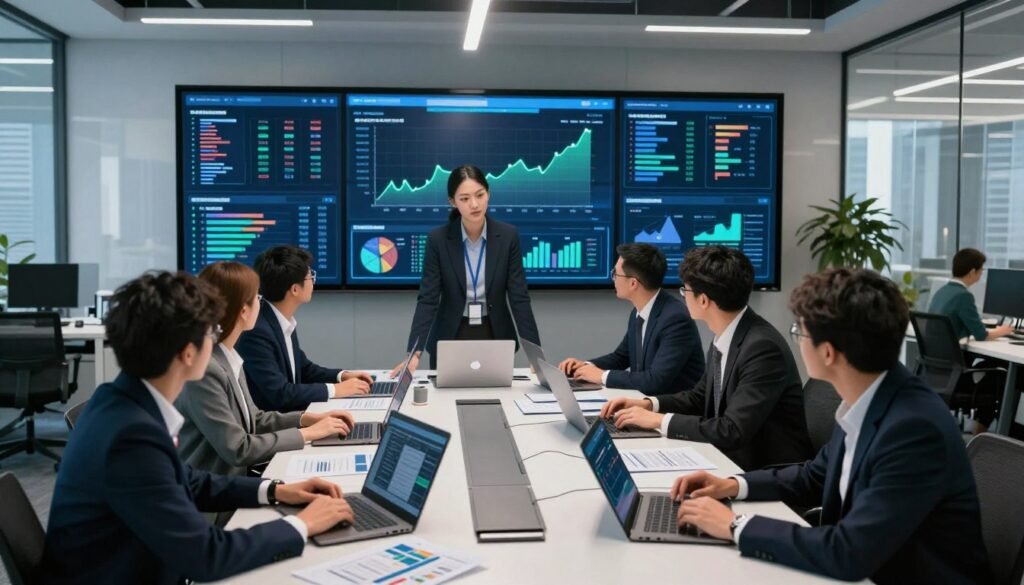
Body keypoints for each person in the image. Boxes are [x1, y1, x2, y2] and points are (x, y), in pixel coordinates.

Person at [669, 268, 992, 585]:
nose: (796, 340)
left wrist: (735, 525)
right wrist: (731, 485)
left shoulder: (913, 428)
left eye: (800, 331)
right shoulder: (869, 397)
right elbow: (814, 475)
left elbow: (849, 553)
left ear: (827, 352)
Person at [38, 271, 354, 585]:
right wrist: (301, 526)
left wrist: (275, 490)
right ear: (188, 353)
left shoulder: (121, 400)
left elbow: (188, 480)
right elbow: (206, 557)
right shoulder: (131, 436)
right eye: (211, 331)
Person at [600, 245, 811, 470]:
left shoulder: (762, 348)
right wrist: (648, 404)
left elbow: (732, 430)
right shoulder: (728, 333)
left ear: (703, 301)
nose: (682, 297)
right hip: (728, 459)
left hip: (764, 474)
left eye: (685, 291)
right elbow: (698, 398)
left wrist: (659, 421)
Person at [177, 261, 356, 483]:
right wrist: (308, 434)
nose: (260, 305)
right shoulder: (206, 370)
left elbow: (256, 419)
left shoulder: (228, 356)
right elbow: (239, 447)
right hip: (218, 502)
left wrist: (309, 419)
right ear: (243, 311)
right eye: (257, 299)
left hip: (238, 483)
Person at [393, 164, 540, 374]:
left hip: (495, 332)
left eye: (480, 195)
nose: (474, 204)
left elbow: (519, 298)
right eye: (464, 199)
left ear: (488, 193)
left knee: (497, 397)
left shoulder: (508, 236)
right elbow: (428, 299)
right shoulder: (438, 239)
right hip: (450, 334)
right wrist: (413, 354)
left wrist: (535, 354)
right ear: (452, 202)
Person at [237, 245, 373, 412]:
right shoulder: (256, 332)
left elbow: (304, 369)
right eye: (311, 277)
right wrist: (336, 390)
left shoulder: (280, 320)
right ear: (295, 289)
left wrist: (342, 376)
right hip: (273, 427)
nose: (313, 282)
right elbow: (280, 393)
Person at [558, 243, 704, 395]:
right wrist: (585, 366)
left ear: (633, 283)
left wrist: (601, 376)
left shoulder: (675, 318)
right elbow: (621, 357)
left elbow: (655, 381)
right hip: (646, 405)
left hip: (673, 412)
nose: (613, 278)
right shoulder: (640, 311)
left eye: (615, 273)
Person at [929, 247, 1013, 341]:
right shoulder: (963, 296)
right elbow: (981, 335)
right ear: (972, 272)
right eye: (981, 269)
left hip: (940, 350)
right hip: (951, 352)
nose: (982, 273)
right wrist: (1003, 331)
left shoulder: (942, 291)